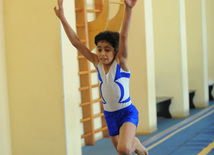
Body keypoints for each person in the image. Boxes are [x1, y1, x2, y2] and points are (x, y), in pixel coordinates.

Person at [54, 0, 148, 154]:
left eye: (107, 49)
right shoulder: (96, 61)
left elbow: (123, 36)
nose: (102, 53)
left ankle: (135, 144)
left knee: (124, 149)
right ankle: (137, 145)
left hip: (127, 112)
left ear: (115, 51)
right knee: (121, 150)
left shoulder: (121, 63)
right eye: (99, 49)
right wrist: (63, 18)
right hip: (110, 114)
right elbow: (76, 42)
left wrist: (128, 9)